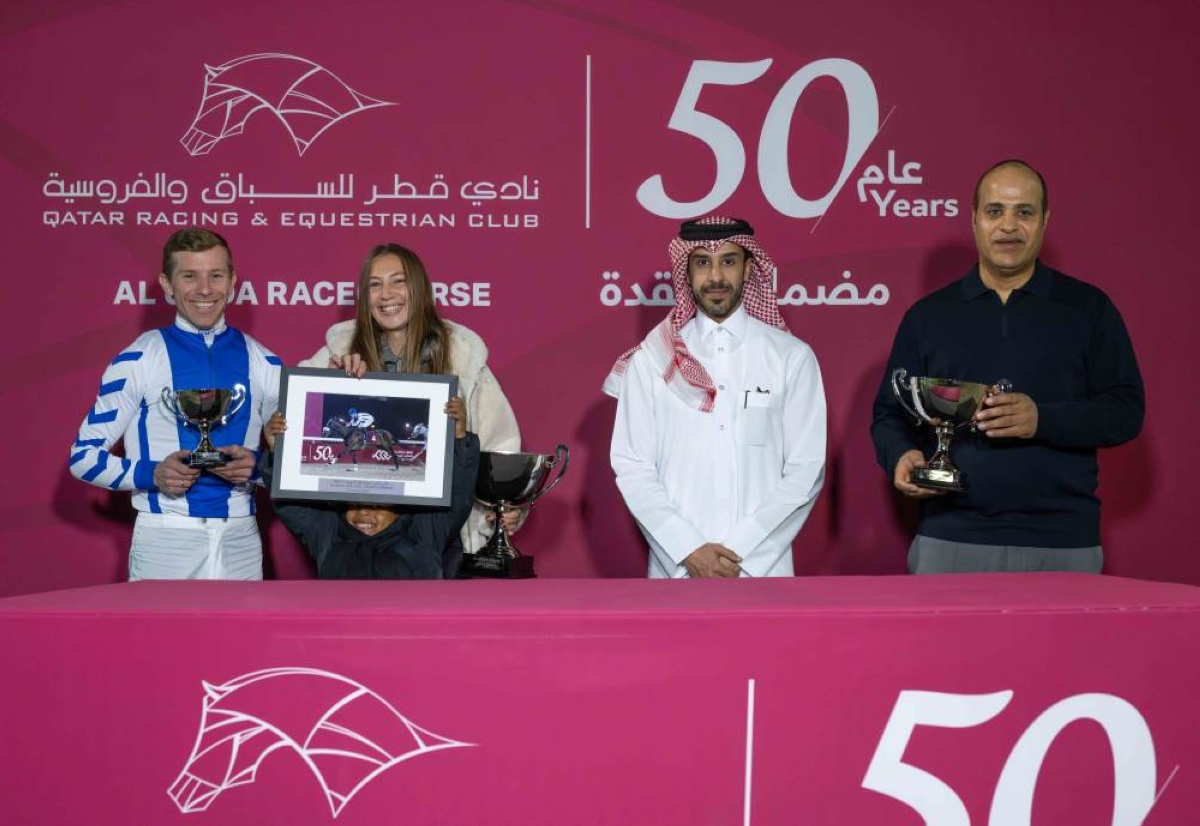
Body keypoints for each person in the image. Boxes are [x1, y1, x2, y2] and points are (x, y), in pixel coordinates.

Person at [870, 159, 1144, 574]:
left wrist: (1043, 419)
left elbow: (1125, 411)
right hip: (950, 539)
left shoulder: (1088, 309)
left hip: (1063, 544)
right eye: (995, 211)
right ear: (974, 220)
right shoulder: (928, 316)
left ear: (1045, 221)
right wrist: (903, 454)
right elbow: (890, 412)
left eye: (1025, 212)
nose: (1009, 226)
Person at [604, 216, 826, 578]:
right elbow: (633, 466)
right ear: (686, 271)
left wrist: (741, 551)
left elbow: (806, 468)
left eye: (728, 261)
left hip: (762, 572)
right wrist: (686, 548)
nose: (716, 277)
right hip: (676, 571)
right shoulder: (651, 359)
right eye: (703, 263)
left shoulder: (790, 357)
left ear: (748, 267)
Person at [68, 228, 281, 579]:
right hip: (166, 537)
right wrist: (150, 474)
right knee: (158, 638)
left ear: (232, 282)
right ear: (167, 285)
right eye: (189, 276)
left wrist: (259, 469)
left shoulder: (265, 361)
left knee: (243, 637)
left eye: (216, 275)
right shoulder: (138, 357)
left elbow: (296, 461)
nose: (204, 289)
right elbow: (83, 458)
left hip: (241, 539)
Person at [302, 243, 522, 571]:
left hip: (438, 535)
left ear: (419, 288)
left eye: (398, 281)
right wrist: (330, 392)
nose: (386, 294)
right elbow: (290, 430)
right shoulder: (337, 357)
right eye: (374, 285)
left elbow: (498, 446)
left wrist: (502, 506)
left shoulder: (464, 361)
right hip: (360, 538)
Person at [260, 400, 479, 578]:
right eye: (354, 504)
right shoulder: (327, 535)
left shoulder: (424, 535)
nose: (365, 511)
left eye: (378, 505)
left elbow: (458, 498)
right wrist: (278, 452)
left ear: (399, 510)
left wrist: (460, 440)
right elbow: (290, 505)